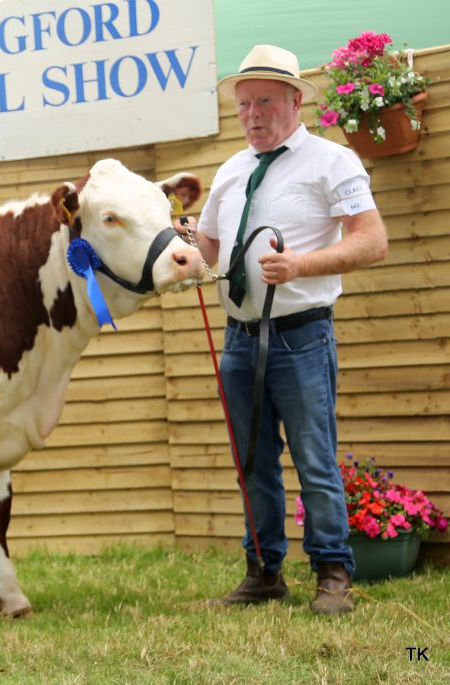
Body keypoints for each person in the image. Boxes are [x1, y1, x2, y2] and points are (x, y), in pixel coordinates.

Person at [179, 45, 388, 614]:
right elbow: (210, 248)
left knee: (314, 458)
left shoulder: (332, 161)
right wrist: (183, 240)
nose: (252, 115)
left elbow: (373, 240)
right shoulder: (231, 169)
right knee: (252, 460)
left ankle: (333, 574)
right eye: (244, 104)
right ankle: (264, 573)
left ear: (296, 101)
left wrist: (302, 265)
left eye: (265, 102)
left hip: (302, 335)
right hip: (239, 337)